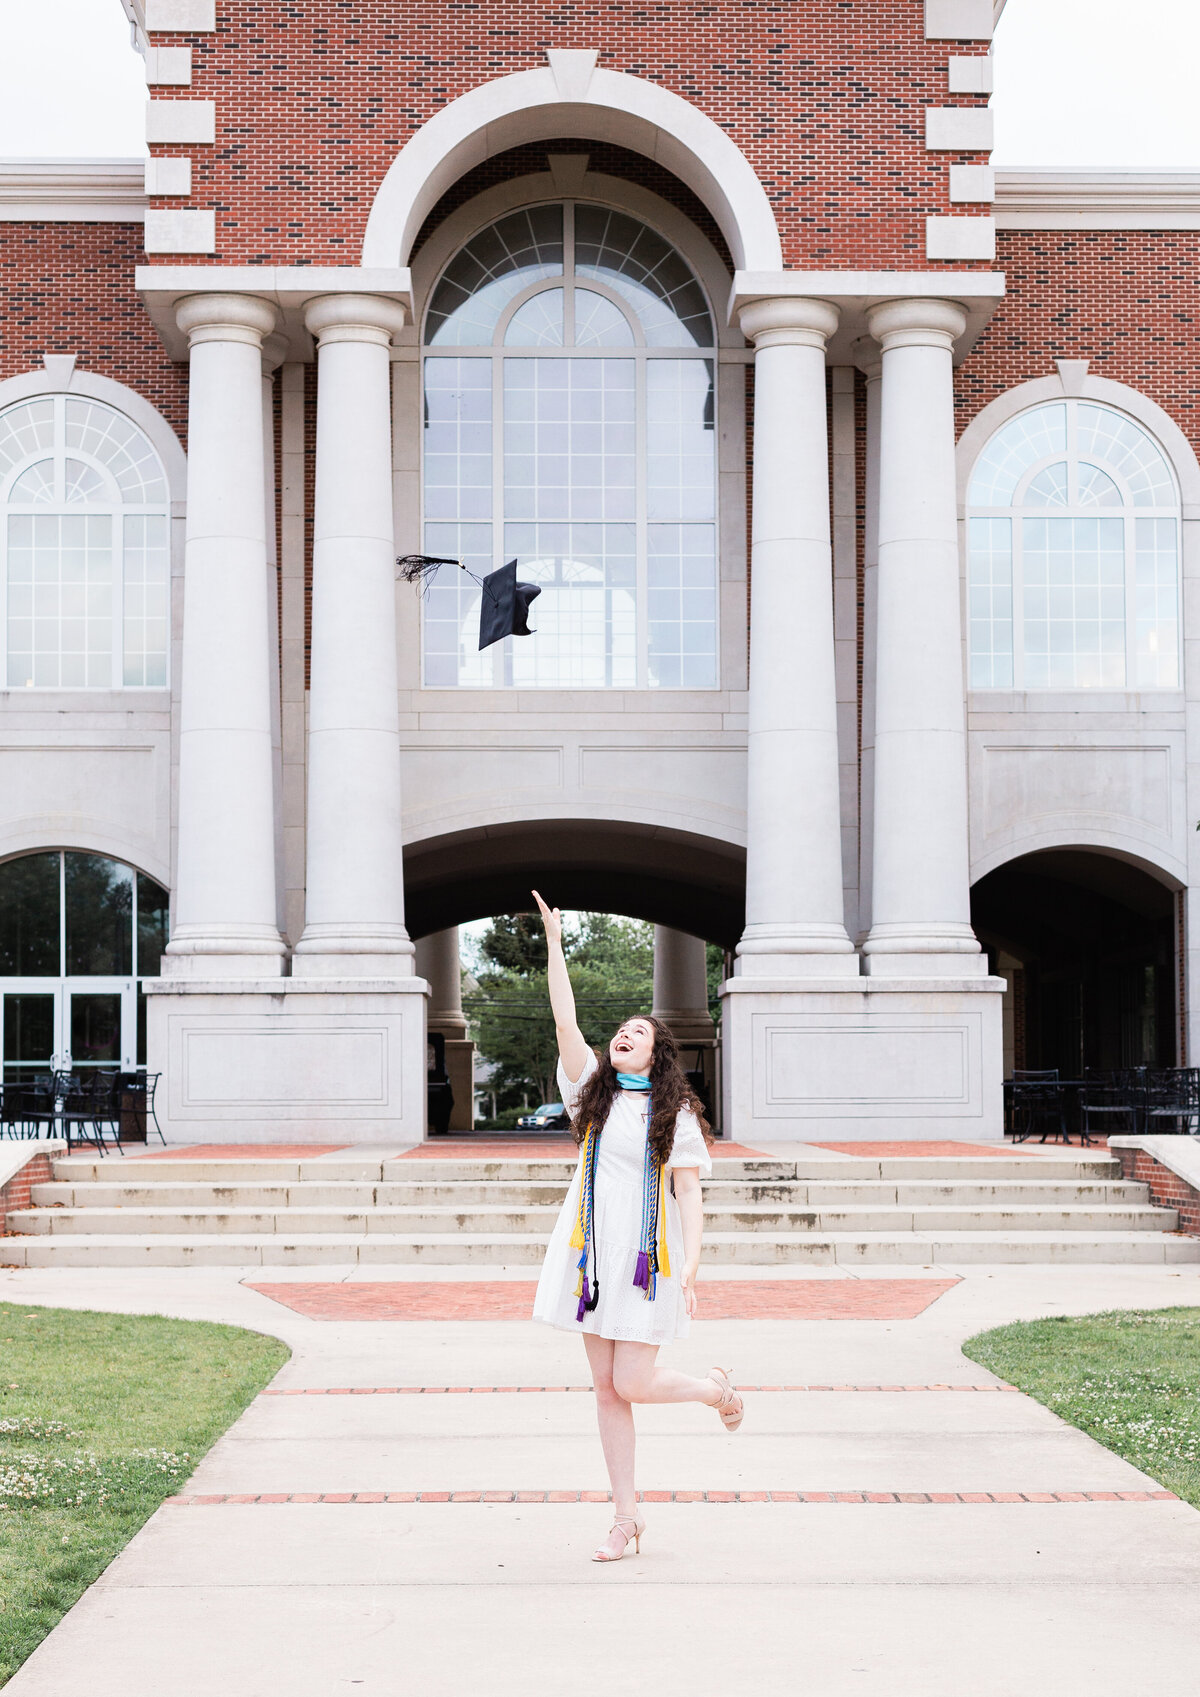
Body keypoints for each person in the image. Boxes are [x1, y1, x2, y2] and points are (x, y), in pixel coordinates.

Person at [530, 890, 745, 1563]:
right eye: (621, 1027)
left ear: (655, 1055)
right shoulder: (591, 1091)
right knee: (605, 1387)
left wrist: (695, 1263)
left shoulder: (672, 1113)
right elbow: (565, 1023)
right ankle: (626, 1518)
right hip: (590, 1257)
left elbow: (688, 1192)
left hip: (646, 1260)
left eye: (640, 1030)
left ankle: (714, 1389)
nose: (625, 1032)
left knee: (634, 1381)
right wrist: (555, 944)